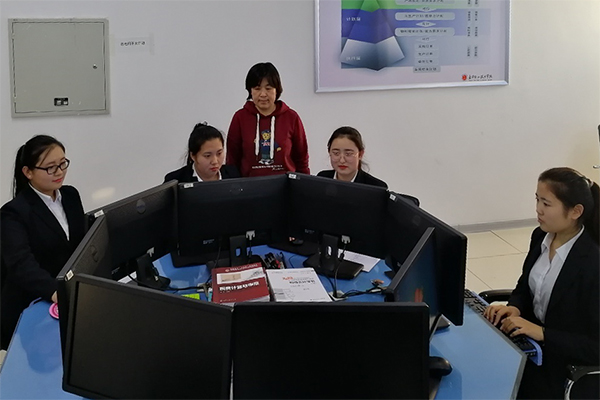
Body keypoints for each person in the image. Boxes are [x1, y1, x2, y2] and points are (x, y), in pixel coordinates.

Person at [483, 167, 600, 399]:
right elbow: (524, 288)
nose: (538, 209)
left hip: (563, 364)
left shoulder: (593, 263)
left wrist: (543, 333)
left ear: (576, 211)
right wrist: (514, 307)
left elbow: (596, 347)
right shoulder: (541, 236)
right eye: (537, 200)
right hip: (531, 347)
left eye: (546, 204)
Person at [1, 135, 85, 350]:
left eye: (63, 164)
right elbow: (21, 265)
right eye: (50, 168)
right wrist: (56, 292)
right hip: (32, 304)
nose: (59, 172)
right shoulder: (13, 213)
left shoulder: (70, 195)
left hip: (69, 299)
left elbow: (80, 245)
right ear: (28, 172)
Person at [226, 62, 309, 177]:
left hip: (285, 184)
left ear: (277, 90)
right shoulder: (240, 117)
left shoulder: (291, 117)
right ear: (250, 90)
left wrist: (304, 185)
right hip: (249, 185)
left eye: (268, 88)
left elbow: (302, 159)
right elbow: (232, 159)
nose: (263, 94)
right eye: (257, 88)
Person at [164, 122, 240, 183]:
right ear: (193, 156)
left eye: (219, 153)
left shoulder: (233, 175)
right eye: (207, 156)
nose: (215, 161)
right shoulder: (175, 181)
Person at [317, 126, 387, 188]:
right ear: (329, 152)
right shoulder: (322, 179)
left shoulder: (376, 187)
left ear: (360, 154)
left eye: (348, 154)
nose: (342, 160)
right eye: (336, 153)